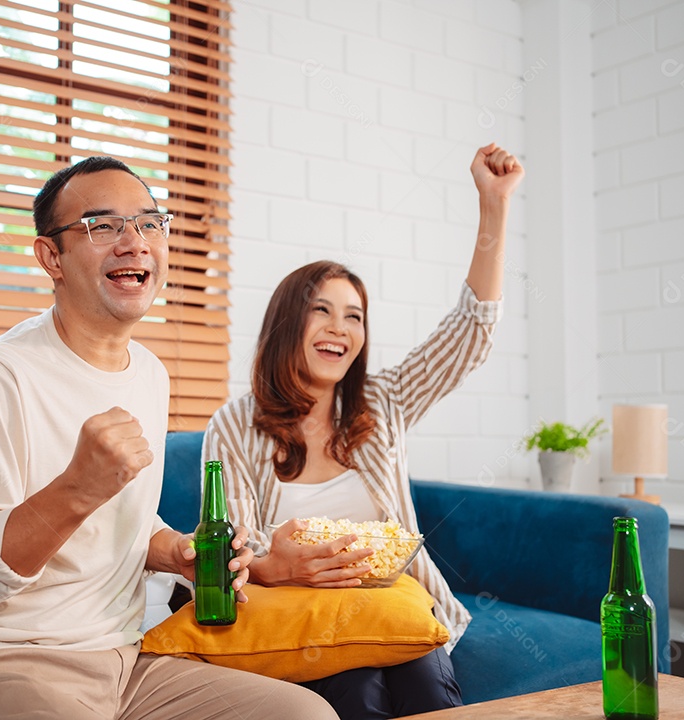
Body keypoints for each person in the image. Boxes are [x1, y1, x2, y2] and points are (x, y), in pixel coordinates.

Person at [0, 156, 338, 720]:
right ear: (50, 256)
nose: (134, 242)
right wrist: (76, 489)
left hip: (122, 663)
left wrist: (175, 551)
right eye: (102, 227)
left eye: (150, 223)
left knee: (307, 717)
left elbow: (121, 521)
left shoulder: (150, 373)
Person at [202, 143, 524, 719]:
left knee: (426, 685)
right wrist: (280, 562)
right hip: (305, 616)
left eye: (354, 315)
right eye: (321, 310)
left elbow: (470, 332)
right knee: (359, 693)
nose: (339, 328)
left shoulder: (385, 400)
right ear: (286, 323)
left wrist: (493, 205)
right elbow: (235, 543)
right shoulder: (236, 423)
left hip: (397, 604)